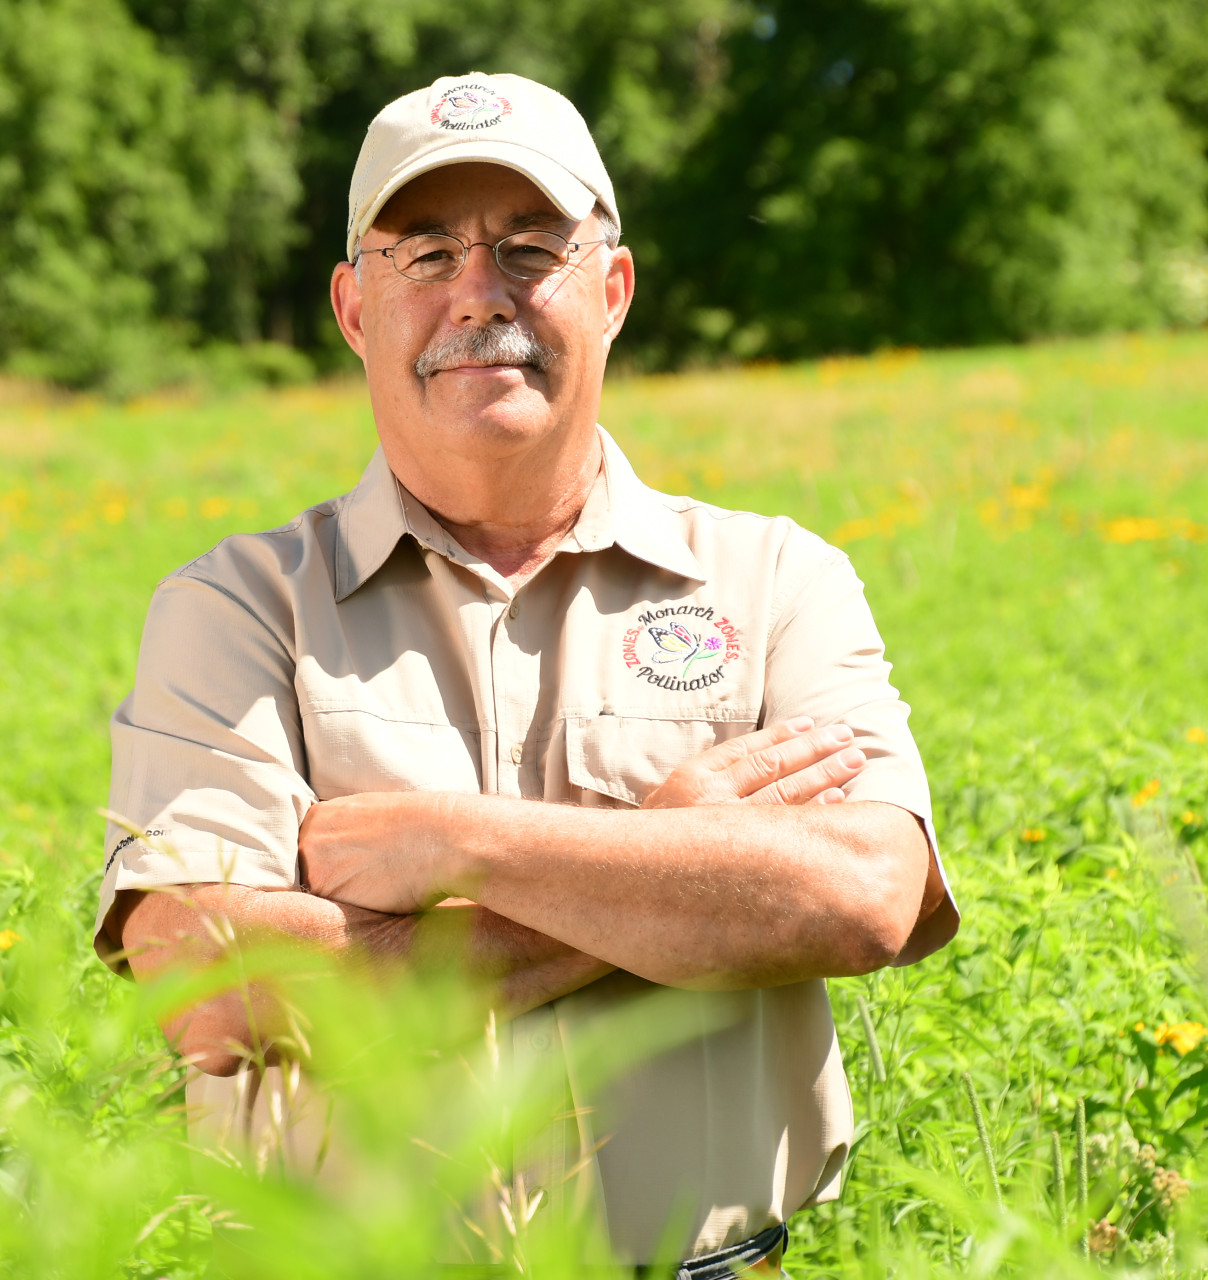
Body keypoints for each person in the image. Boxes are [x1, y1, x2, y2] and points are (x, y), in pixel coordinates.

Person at [94, 72, 958, 1273]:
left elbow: (867, 893)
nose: (477, 295)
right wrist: (675, 855)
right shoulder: (237, 608)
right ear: (353, 307)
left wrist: (459, 846)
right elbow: (210, 990)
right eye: (427, 253)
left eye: (529, 248)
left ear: (611, 290)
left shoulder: (773, 579)